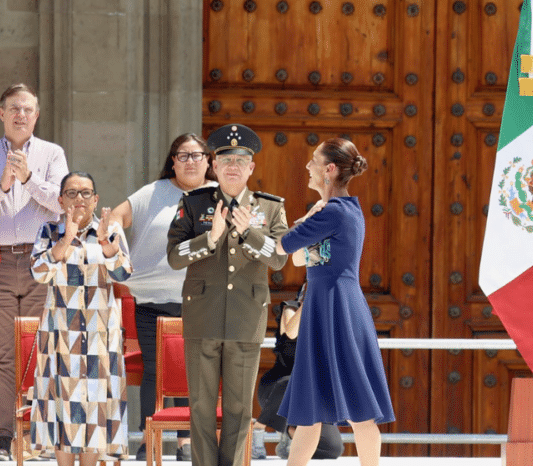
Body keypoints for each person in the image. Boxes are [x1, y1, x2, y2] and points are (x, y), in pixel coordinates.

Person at [166, 124, 288, 466]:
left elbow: (279, 258)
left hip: (246, 318)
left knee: (238, 409)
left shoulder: (271, 208)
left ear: (251, 168)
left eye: (241, 160)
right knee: (202, 407)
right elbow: (175, 257)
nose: (232, 166)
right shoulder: (194, 204)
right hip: (202, 316)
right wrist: (210, 237)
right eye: (225, 159)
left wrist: (248, 232)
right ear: (213, 166)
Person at [0, 83, 69, 461]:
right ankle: (2, 439)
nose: (21, 115)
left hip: (42, 259)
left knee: (45, 350)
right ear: (2, 114)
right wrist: (2, 185)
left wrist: (28, 181)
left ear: (36, 115)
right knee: (2, 355)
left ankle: (41, 436)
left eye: (27, 109)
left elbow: (62, 204)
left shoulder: (52, 154)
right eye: (14, 109)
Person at [274, 138, 394, 466]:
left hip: (335, 308)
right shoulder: (338, 211)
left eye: (314, 160)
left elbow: (284, 246)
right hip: (328, 306)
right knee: (311, 410)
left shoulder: (335, 212)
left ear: (329, 169)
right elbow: (301, 259)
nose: (308, 167)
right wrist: (311, 215)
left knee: (357, 407)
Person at [108, 133, 215, 461]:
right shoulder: (152, 193)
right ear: (173, 161)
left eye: (197, 156)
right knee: (155, 368)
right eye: (184, 156)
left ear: (208, 161)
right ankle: (147, 438)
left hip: (201, 298)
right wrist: (115, 242)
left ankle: (185, 442)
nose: (191, 161)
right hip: (151, 298)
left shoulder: (218, 195)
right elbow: (116, 217)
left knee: (190, 368)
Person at [29, 172, 131, 466]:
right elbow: (39, 273)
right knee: (62, 405)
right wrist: (65, 240)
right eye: (71, 193)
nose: (79, 199)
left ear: (96, 200)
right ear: (60, 200)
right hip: (61, 333)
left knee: (95, 405)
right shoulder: (49, 230)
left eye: (86, 193)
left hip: (100, 331)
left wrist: (108, 248)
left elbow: (124, 274)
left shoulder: (110, 229)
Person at [256, 283, 343, 460]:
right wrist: (307, 304)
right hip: (278, 389)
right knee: (294, 380)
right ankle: (258, 429)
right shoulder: (291, 308)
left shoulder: (327, 322)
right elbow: (290, 332)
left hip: (309, 397)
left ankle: (289, 433)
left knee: (332, 448)